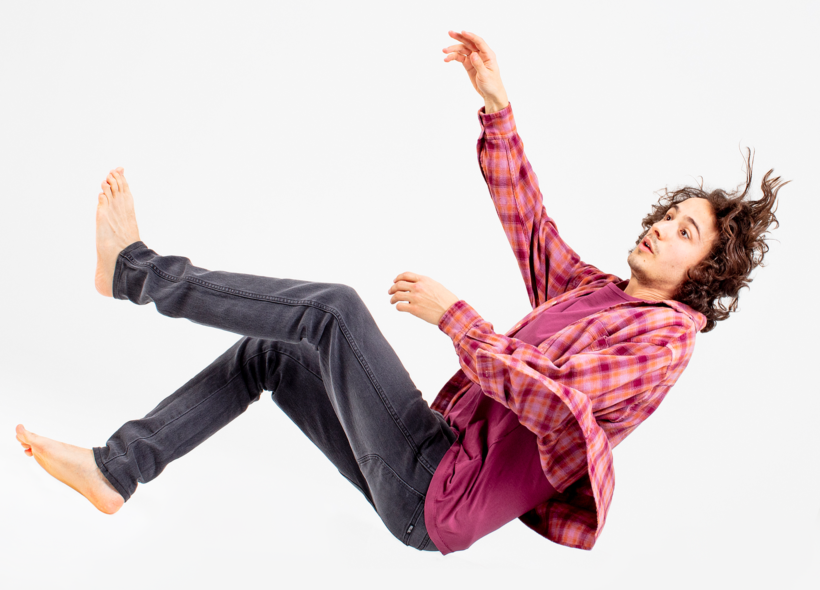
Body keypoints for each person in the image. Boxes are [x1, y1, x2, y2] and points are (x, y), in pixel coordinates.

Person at [15, 30, 787, 554]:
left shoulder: (662, 340)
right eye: (668, 216)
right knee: (272, 355)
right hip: (428, 455)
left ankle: (133, 272)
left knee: (333, 311)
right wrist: (497, 108)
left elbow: (557, 407)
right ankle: (117, 469)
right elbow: (533, 229)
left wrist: (456, 320)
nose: (661, 229)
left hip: (437, 490)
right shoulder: (601, 294)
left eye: (686, 234)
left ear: (702, 276)